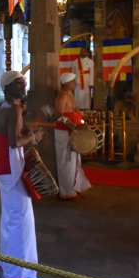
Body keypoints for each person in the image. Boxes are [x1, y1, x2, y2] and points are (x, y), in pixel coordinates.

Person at [0, 71, 44, 278]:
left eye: (24, 82)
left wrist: (18, 128)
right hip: (12, 165)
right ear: (7, 87)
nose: (23, 85)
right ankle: (19, 276)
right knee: (21, 219)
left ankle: (7, 264)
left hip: (2, 165)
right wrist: (34, 135)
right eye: (19, 83)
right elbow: (14, 141)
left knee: (10, 215)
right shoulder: (15, 108)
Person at [54, 72, 92, 200]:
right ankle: (67, 192)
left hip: (73, 132)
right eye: (73, 81)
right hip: (64, 133)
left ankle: (75, 188)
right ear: (66, 83)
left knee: (75, 162)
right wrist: (71, 125)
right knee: (66, 162)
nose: (75, 83)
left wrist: (83, 120)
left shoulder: (71, 94)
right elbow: (58, 114)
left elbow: (74, 111)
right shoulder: (62, 95)